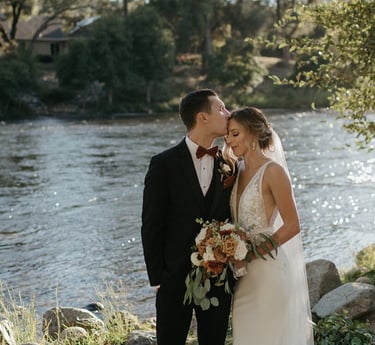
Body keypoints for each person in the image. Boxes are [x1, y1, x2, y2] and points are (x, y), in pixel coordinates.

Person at [141, 89, 235, 345]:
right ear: (203, 117)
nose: (229, 114)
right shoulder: (163, 164)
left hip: (217, 279)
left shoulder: (230, 164)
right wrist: (158, 278)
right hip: (173, 279)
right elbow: (151, 224)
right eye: (222, 109)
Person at [225, 106, 314, 345]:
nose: (229, 141)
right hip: (243, 278)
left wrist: (251, 254)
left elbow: (293, 225)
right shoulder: (236, 169)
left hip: (269, 272)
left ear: (253, 133)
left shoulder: (273, 172)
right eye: (227, 135)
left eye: (235, 134)